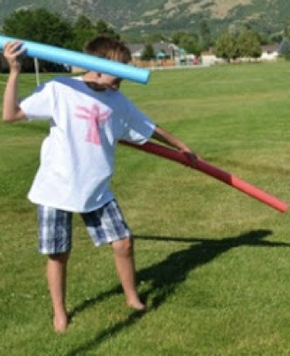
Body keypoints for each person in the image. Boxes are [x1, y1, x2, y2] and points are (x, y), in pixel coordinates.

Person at [2, 36, 197, 333]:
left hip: (96, 188)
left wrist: (180, 145)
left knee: (123, 242)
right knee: (58, 253)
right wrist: (14, 71)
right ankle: (60, 313)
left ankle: (132, 298)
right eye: (119, 71)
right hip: (56, 188)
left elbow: (148, 127)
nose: (123, 78)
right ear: (97, 67)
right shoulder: (60, 89)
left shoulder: (116, 100)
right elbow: (10, 115)